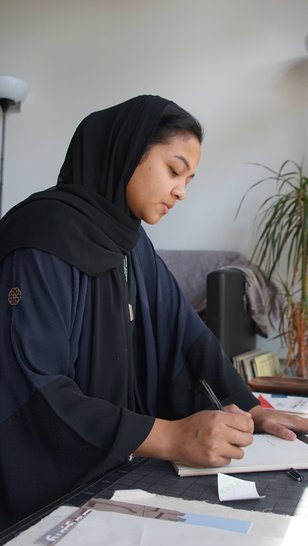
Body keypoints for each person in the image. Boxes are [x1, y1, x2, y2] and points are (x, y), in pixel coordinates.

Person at [0, 94, 307, 529]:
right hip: (43, 493)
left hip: (113, 468)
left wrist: (247, 409)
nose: (181, 190)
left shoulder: (132, 243)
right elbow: (33, 389)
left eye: (189, 179)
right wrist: (171, 436)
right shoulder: (40, 238)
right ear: (125, 154)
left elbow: (186, 338)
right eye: (174, 170)